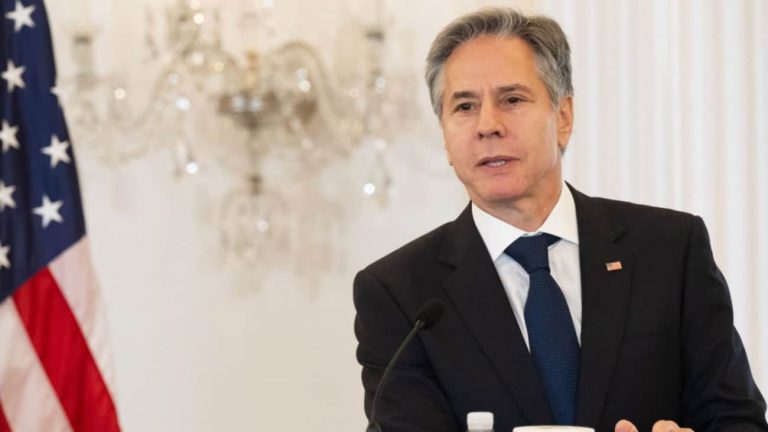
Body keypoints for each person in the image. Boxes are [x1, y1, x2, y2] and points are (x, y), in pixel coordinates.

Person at [353, 7, 768, 432]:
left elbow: (738, 420)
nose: (487, 125)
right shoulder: (400, 295)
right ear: (445, 134)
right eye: (464, 106)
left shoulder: (670, 250)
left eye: (512, 100)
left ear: (564, 117)